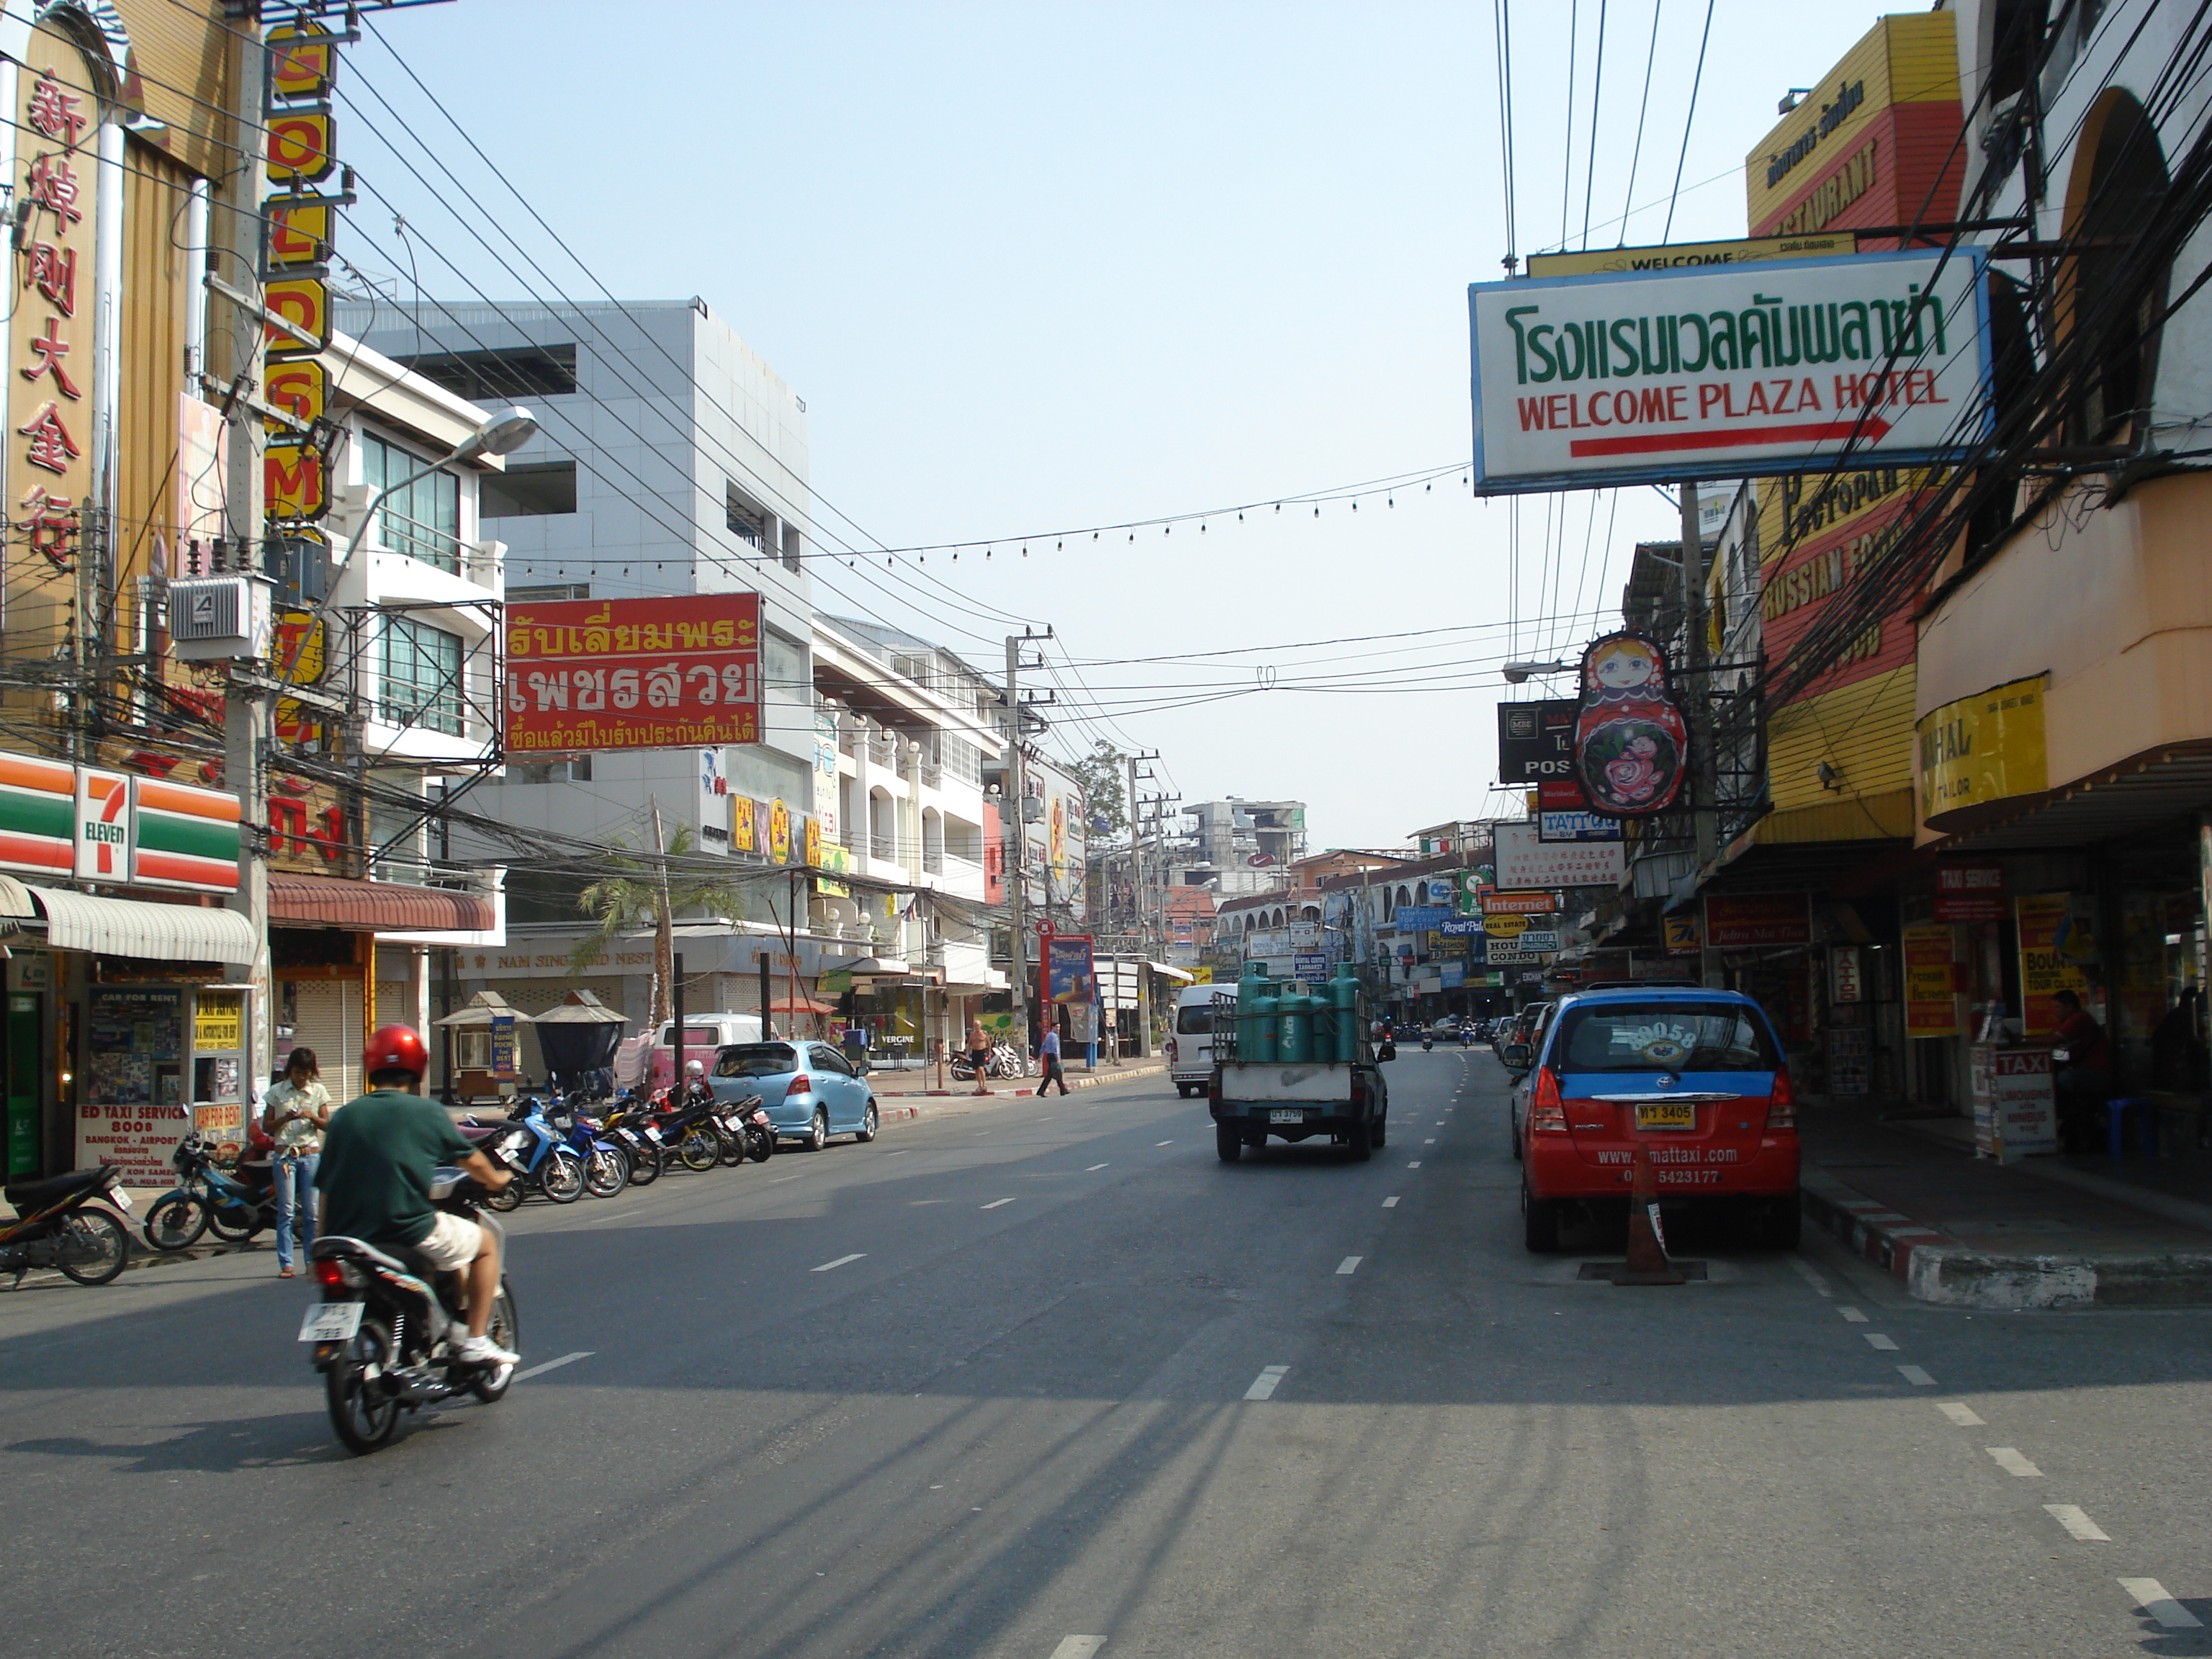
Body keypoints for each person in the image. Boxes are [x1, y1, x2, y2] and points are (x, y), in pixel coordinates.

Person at [315, 1025, 518, 1365]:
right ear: (419, 1068)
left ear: (371, 1067)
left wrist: (321, 1244)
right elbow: (473, 1162)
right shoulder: (426, 1112)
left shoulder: (344, 1118)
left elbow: (325, 1190)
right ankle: (476, 1341)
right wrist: (497, 1180)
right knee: (485, 1245)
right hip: (405, 1230)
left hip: (347, 1237)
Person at [261, 1046, 331, 1279]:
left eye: (307, 1073)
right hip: (285, 1156)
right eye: (299, 1072)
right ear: (291, 1070)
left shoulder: (318, 1091)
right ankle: (287, 1263)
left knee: (311, 1212)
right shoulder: (277, 1092)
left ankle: (311, 1261)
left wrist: (313, 1117)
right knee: (287, 1210)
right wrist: (286, 1118)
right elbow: (266, 1127)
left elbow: (327, 1125)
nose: (302, 1078)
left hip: (310, 1155)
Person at [2051, 989, 2116, 1154]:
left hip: (2098, 1075)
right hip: (2087, 1072)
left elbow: (2055, 1039)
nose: (2054, 1011)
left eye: (2058, 1007)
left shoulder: (2079, 1019)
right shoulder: (2071, 1021)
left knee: (2064, 1080)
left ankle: (2071, 1122)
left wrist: (2022, 1041)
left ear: (2070, 1007)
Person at [1040, 1022, 1069, 1096]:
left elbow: (1043, 1045)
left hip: (1049, 1056)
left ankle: (1063, 1090)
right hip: (1053, 1057)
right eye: (1056, 1027)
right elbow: (1055, 1048)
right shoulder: (1054, 1036)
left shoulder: (1049, 1035)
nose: (1058, 1029)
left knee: (1051, 1075)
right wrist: (1058, 1058)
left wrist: (1041, 1055)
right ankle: (1063, 1090)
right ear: (1052, 1027)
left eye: (1059, 1027)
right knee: (1057, 1073)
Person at [966, 1017, 993, 1097]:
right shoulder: (972, 1034)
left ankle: (984, 1084)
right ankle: (980, 1085)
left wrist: (989, 1052)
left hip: (982, 1051)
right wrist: (967, 1052)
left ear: (980, 1026)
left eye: (978, 1025)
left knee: (981, 1068)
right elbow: (969, 1044)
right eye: (975, 1026)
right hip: (975, 1052)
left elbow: (989, 1043)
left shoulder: (984, 1033)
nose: (976, 1027)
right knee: (976, 1069)